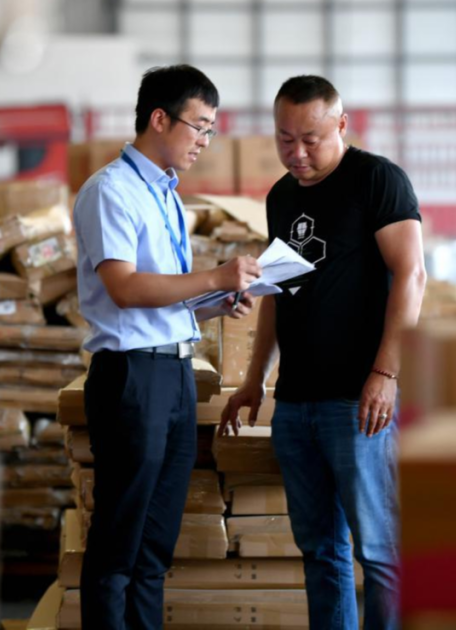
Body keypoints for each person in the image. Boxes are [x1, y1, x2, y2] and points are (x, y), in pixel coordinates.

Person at [219, 75, 426, 630]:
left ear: (341, 124)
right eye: (285, 139)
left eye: (310, 139)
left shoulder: (376, 179)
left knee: (379, 552)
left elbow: (412, 275)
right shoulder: (281, 196)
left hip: (358, 400)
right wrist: (254, 379)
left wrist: (385, 373)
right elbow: (276, 294)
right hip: (296, 403)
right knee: (320, 551)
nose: (298, 153)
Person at [74, 64, 261, 630]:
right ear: (160, 118)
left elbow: (163, 299)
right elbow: (125, 288)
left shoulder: (166, 196)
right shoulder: (112, 190)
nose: (205, 141)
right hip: (133, 379)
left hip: (175, 375)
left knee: (155, 548)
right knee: (119, 543)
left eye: (211, 130)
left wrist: (214, 303)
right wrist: (215, 276)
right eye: (199, 126)